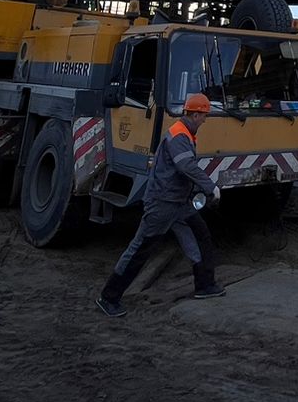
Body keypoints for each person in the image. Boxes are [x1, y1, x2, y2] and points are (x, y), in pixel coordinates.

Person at [96, 93, 224, 316]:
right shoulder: (179, 135)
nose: (205, 120)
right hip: (163, 204)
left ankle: (205, 285)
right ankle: (109, 297)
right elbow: (186, 166)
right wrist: (209, 187)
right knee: (141, 249)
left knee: (200, 234)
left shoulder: (184, 133)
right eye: (204, 116)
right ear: (195, 115)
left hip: (177, 202)